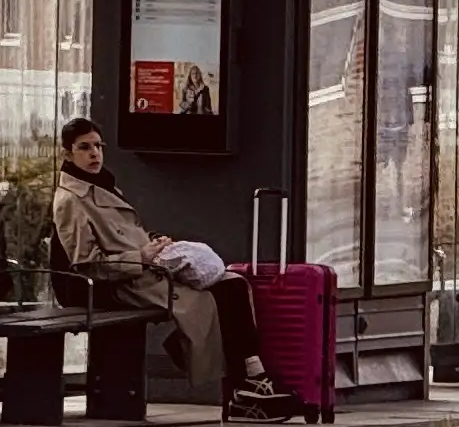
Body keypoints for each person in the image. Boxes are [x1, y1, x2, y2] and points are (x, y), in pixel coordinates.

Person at [47, 117, 288, 408]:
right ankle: (245, 384)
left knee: (234, 284)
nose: (94, 153)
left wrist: (156, 242)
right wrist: (142, 257)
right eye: (84, 148)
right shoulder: (71, 200)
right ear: (67, 153)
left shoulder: (102, 184)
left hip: (145, 271)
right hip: (120, 284)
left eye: (98, 146)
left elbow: (126, 235)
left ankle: (249, 378)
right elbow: (86, 264)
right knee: (218, 297)